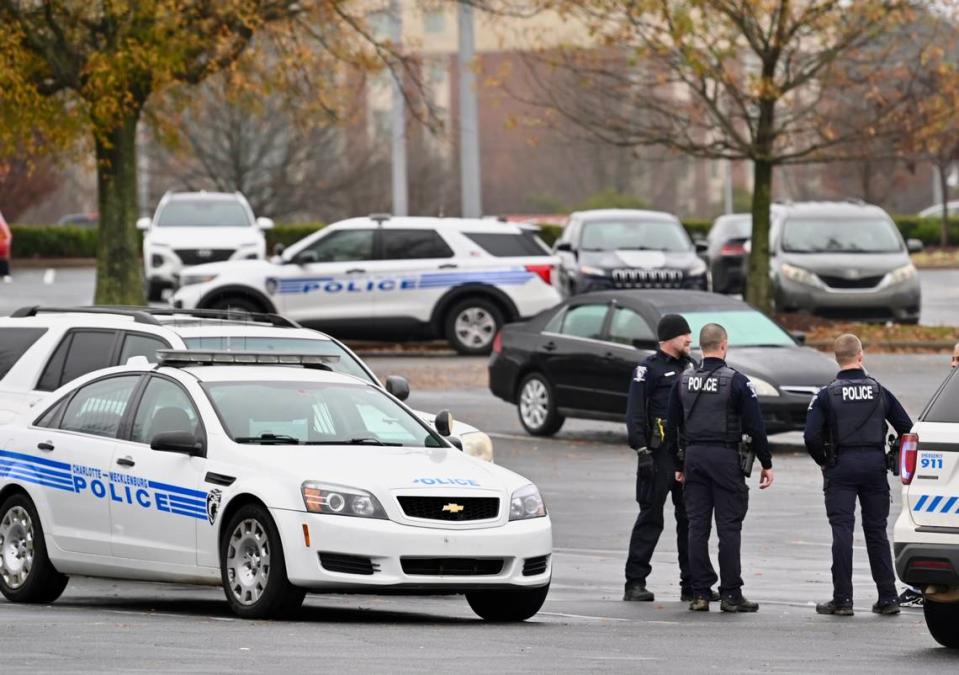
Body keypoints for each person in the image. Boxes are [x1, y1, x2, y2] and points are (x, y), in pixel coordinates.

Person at [666, 323, 774, 612]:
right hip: (726, 458)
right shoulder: (737, 381)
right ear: (724, 345)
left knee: (696, 527)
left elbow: (672, 423)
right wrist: (766, 462)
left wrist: (679, 464)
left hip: (694, 458)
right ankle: (730, 594)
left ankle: (700, 593)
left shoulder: (683, 380)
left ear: (702, 347)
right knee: (729, 527)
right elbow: (755, 425)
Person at [804, 334, 912, 617]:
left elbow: (811, 435)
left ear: (836, 359)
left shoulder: (827, 394)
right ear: (860, 356)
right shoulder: (878, 391)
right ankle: (888, 597)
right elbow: (906, 427)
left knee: (842, 532)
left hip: (841, 466)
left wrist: (824, 462)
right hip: (875, 466)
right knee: (876, 531)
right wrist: (894, 456)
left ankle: (843, 600)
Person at [623, 314, 717, 602]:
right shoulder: (647, 369)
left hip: (686, 454)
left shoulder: (692, 367)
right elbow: (635, 412)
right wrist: (642, 451)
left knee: (690, 518)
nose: (690, 340)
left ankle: (692, 583)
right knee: (651, 516)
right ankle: (635, 582)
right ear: (668, 338)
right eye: (684, 335)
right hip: (658, 453)